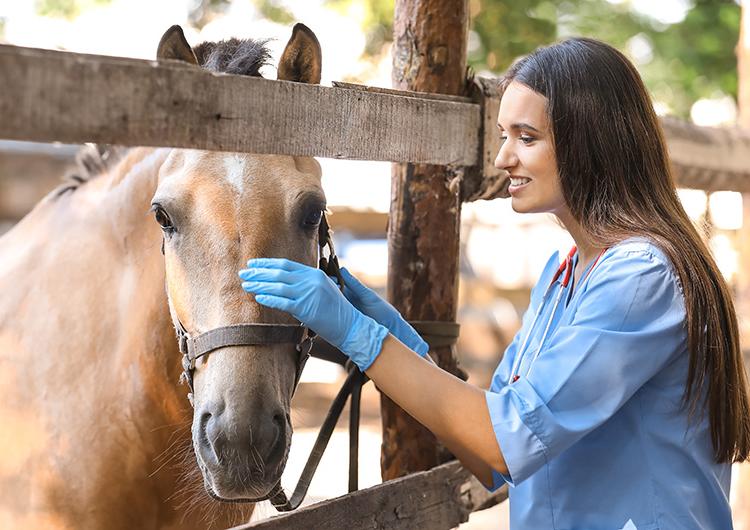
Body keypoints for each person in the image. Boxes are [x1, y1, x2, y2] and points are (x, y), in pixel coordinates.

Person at [238, 37, 750, 529]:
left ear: (589, 142)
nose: (504, 158)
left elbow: (505, 441)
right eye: (504, 135)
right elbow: (492, 450)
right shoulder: (564, 274)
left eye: (526, 138)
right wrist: (394, 335)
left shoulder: (642, 276)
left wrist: (358, 334)